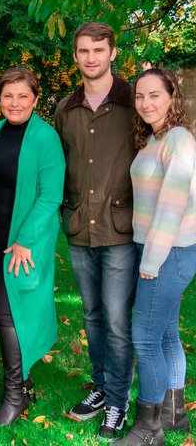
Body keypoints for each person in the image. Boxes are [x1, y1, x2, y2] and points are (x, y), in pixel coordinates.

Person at [55, 22, 138, 441]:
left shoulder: (133, 101)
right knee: (92, 316)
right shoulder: (65, 109)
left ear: (112, 53)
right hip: (79, 228)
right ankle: (102, 387)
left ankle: (120, 402)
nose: (91, 58)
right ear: (75, 56)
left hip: (121, 228)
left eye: (99, 50)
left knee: (119, 321)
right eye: (84, 51)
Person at [115, 69, 196, 446]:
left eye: (155, 96)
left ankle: (148, 430)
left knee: (144, 340)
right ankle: (173, 414)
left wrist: (150, 262)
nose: (146, 103)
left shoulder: (178, 139)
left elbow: (171, 206)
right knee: (164, 334)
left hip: (167, 252)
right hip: (159, 249)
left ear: (171, 96)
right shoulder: (153, 137)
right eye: (140, 96)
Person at [0, 68, 65, 425]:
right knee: (4, 311)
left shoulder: (45, 138)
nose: (14, 103)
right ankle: (25, 383)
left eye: (23, 96)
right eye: (8, 96)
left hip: (27, 241)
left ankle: (14, 396)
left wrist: (24, 241)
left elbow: (50, 196)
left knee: (8, 313)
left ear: (34, 98)